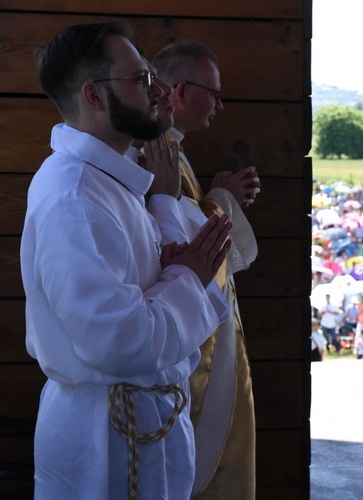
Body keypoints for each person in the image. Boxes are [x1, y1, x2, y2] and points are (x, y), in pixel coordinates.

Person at [21, 21, 234, 499]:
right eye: (141, 80)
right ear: (94, 96)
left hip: (139, 419)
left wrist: (169, 263)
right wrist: (188, 276)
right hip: (103, 438)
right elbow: (119, 340)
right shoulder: (72, 194)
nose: (161, 91)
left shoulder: (110, 182)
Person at [152, 40, 260, 499]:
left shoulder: (172, 151)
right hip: (185, 338)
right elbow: (186, 243)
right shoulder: (152, 153)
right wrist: (222, 199)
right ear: (179, 90)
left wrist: (216, 194)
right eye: (213, 93)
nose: (218, 105)